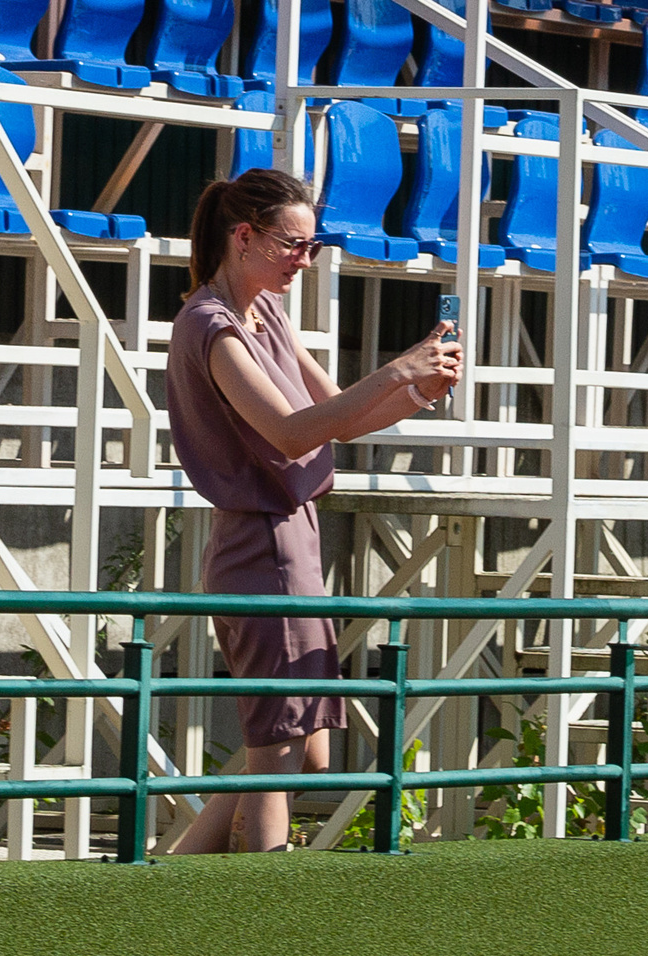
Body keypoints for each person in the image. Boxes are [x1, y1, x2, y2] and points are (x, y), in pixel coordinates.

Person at [161, 169, 461, 854]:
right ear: (245, 237)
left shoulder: (263, 312)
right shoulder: (213, 324)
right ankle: (250, 906)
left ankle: (174, 876)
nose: (304, 259)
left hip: (290, 537)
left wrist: (416, 387)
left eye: (310, 245)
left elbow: (338, 419)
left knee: (304, 750)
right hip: (260, 541)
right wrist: (401, 370)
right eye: (293, 245)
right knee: (279, 753)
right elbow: (292, 430)